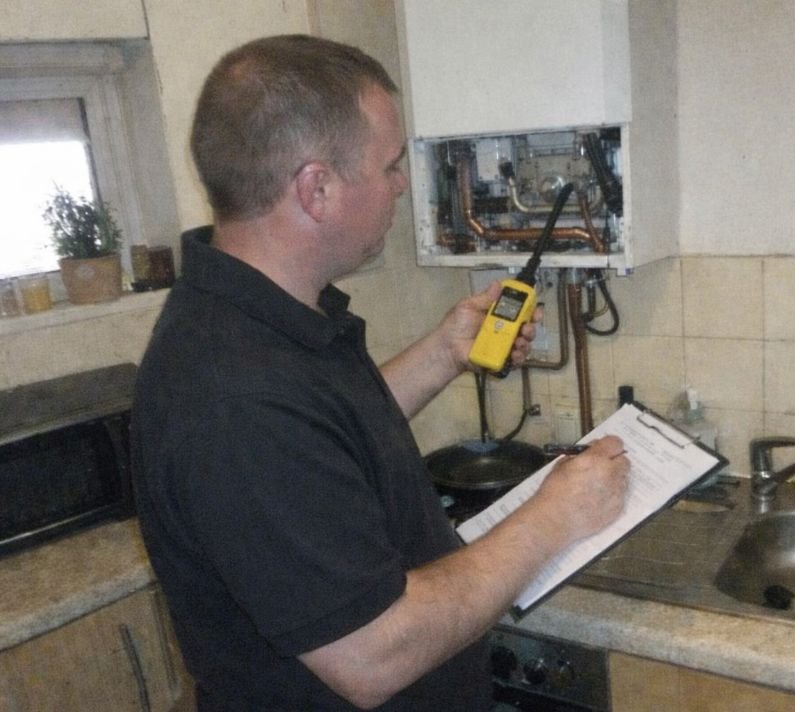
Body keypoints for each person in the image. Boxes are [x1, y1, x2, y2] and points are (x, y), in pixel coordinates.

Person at [130, 34, 629, 711]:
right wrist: (553, 518)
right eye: (390, 164)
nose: (400, 184)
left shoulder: (267, 319)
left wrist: (446, 351)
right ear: (317, 188)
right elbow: (373, 654)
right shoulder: (235, 398)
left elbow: (321, 438)